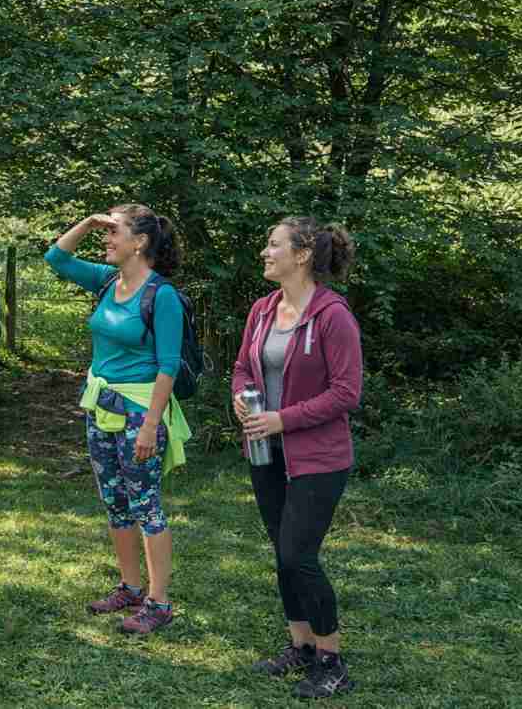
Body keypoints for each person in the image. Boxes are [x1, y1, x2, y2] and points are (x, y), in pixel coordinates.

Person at [44, 204, 192, 635]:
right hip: (101, 406)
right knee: (115, 501)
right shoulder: (109, 280)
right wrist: (89, 221)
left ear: (140, 242)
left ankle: (159, 602)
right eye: (104, 232)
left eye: (114, 232)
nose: (106, 239)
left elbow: (168, 365)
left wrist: (150, 424)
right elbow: (56, 258)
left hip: (140, 412)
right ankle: (129, 585)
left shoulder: (160, 296)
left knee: (146, 503)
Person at [232, 217, 362, 699]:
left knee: (298, 555)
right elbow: (244, 365)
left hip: (319, 458)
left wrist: (283, 419)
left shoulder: (333, 316)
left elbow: (347, 392)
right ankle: (301, 647)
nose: (265, 253)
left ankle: (332, 662)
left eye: (273, 245)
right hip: (265, 451)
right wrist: (242, 396)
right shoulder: (264, 308)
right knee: (282, 554)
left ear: (302, 254)